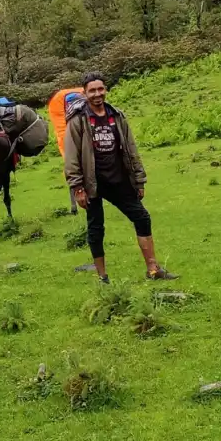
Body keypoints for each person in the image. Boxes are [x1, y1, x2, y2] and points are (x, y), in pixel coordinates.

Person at [63, 71, 176, 283]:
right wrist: (77, 187)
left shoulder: (117, 115)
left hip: (119, 179)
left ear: (105, 90)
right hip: (92, 183)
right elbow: (71, 156)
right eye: (92, 90)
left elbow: (131, 149)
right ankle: (102, 277)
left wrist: (139, 179)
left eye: (100, 89)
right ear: (85, 93)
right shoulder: (78, 120)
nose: (97, 94)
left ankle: (153, 269)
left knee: (142, 217)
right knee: (96, 227)